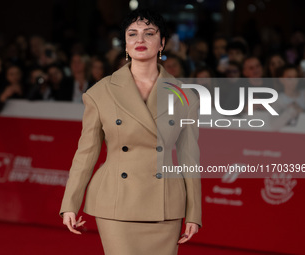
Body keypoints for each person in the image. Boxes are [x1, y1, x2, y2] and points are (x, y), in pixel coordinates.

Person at [59, 9, 202, 255]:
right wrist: (70, 203)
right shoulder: (101, 92)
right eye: (132, 34)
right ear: (125, 43)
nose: (140, 40)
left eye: (149, 33)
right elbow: (86, 152)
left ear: (162, 43)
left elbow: (190, 158)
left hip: (165, 205)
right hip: (117, 202)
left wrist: (194, 213)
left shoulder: (185, 95)